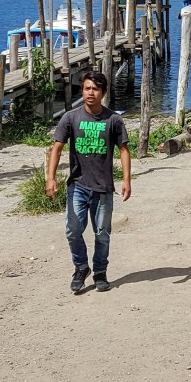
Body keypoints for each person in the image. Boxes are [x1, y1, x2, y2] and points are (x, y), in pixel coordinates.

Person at [46, 70, 130, 294]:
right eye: (86, 88)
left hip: (103, 188)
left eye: (95, 89)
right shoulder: (70, 118)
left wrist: (127, 180)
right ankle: (81, 267)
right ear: (82, 90)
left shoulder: (113, 119)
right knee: (73, 230)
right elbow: (56, 148)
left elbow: (123, 150)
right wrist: (50, 178)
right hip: (78, 185)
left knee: (102, 233)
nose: (90, 93)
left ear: (102, 92)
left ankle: (100, 272)